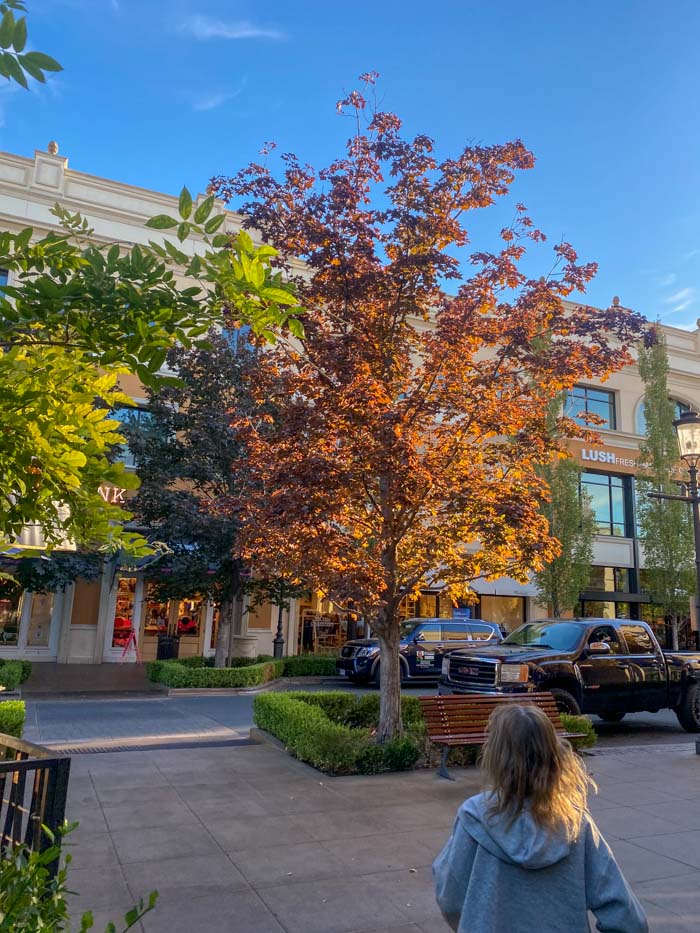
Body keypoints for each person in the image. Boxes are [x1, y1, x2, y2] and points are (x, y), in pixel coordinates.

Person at [433, 704, 648, 933]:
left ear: (495, 756)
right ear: (553, 755)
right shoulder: (575, 824)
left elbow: (450, 896)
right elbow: (628, 918)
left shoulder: (473, 817)